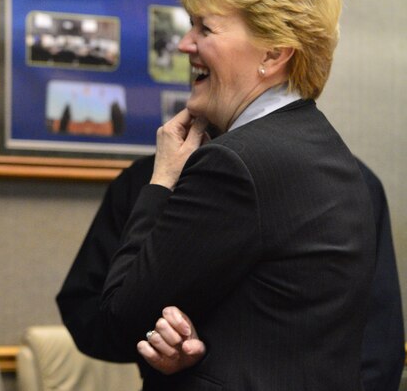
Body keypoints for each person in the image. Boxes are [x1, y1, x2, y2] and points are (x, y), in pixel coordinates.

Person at [93, 0, 375, 389]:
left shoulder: (236, 163)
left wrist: (162, 178)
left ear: (273, 54)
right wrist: (189, 347)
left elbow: (121, 315)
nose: (184, 44)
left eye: (205, 28)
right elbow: (271, 323)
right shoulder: (324, 149)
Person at [57, 155, 405, 391]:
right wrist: (161, 342)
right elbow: (86, 310)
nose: (188, 47)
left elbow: (379, 342)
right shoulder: (147, 181)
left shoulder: (350, 182)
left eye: (209, 39)